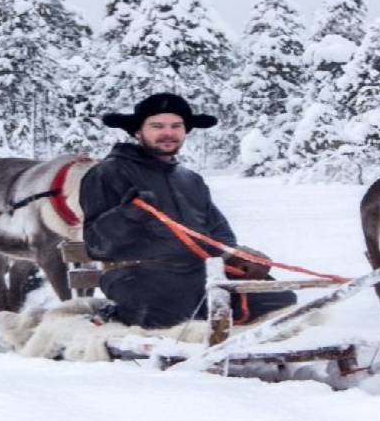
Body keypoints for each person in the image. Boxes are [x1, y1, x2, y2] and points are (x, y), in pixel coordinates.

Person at [79, 92, 297, 328]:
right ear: (138, 131)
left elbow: (218, 233)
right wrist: (128, 215)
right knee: (174, 311)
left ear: (185, 131)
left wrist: (238, 257)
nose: (168, 133)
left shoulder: (191, 180)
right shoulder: (108, 173)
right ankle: (115, 315)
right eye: (157, 126)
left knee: (278, 299)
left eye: (176, 126)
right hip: (137, 276)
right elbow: (96, 244)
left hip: (196, 274)